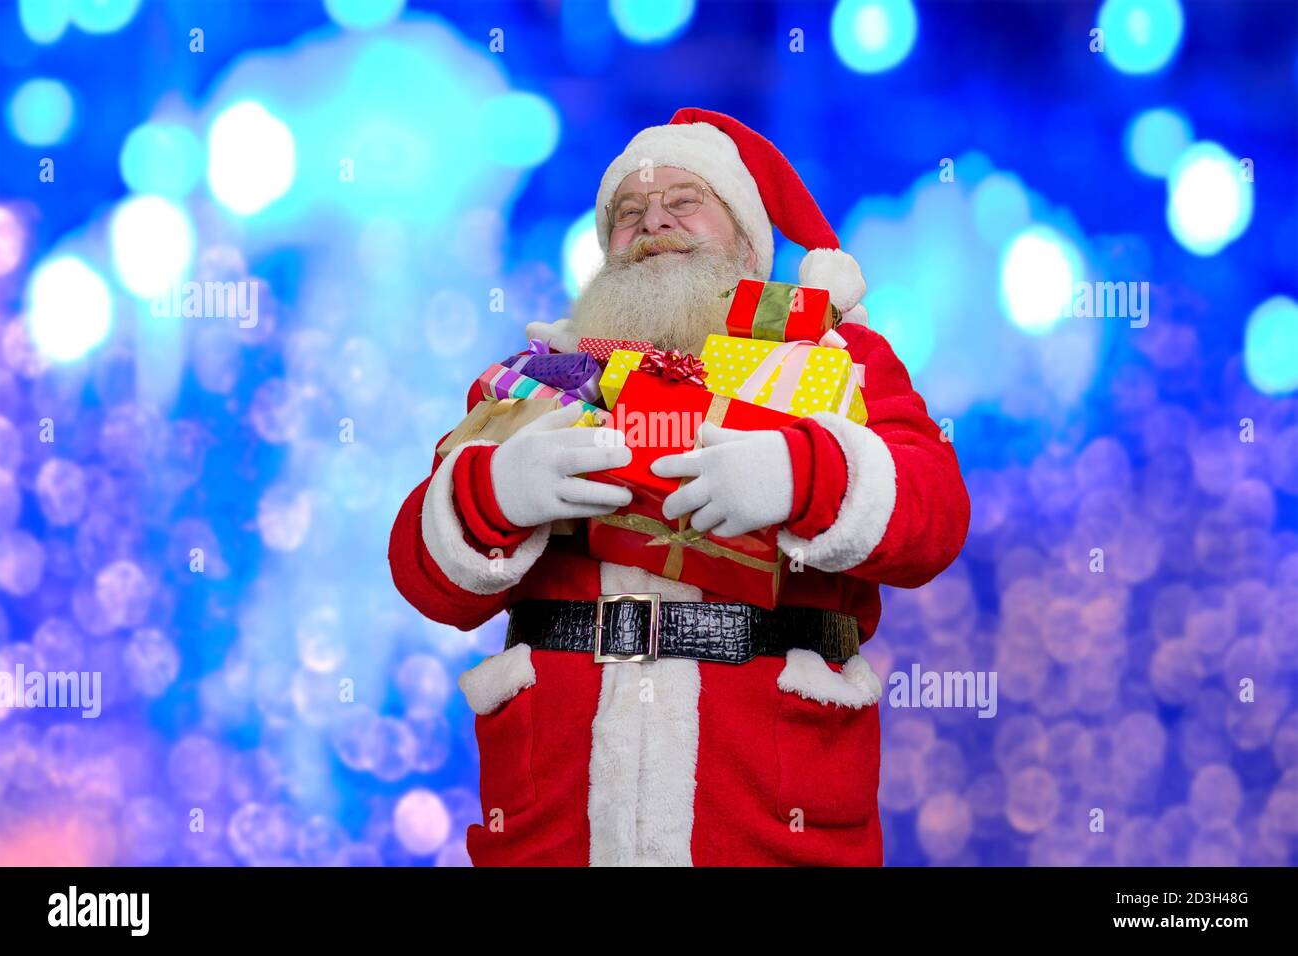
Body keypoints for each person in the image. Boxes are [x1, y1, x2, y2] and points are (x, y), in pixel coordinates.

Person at [388, 108, 970, 866]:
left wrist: (803, 474)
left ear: (749, 238)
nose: (653, 220)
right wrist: (493, 492)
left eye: (685, 200)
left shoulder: (836, 359)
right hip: (558, 822)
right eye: (627, 214)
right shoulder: (540, 379)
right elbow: (423, 579)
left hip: (765, 813)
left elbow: (936, 516)